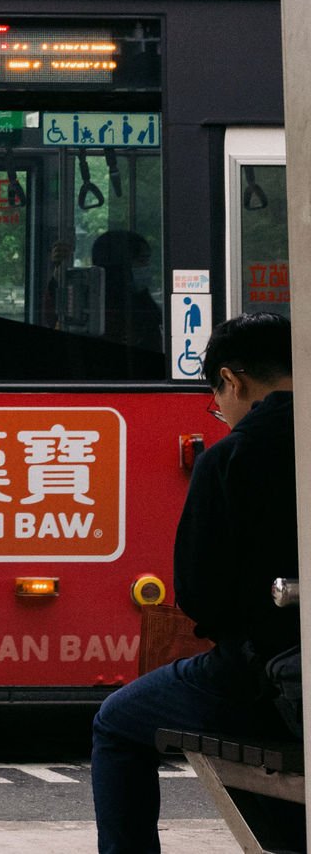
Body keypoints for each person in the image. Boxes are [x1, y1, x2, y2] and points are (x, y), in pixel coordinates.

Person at [91, 312, 298, 854]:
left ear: (233, 381)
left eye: (217, 399)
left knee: (117, 722)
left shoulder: (232, 457)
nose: (222, 412)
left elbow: (201, 597)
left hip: (271, 677)